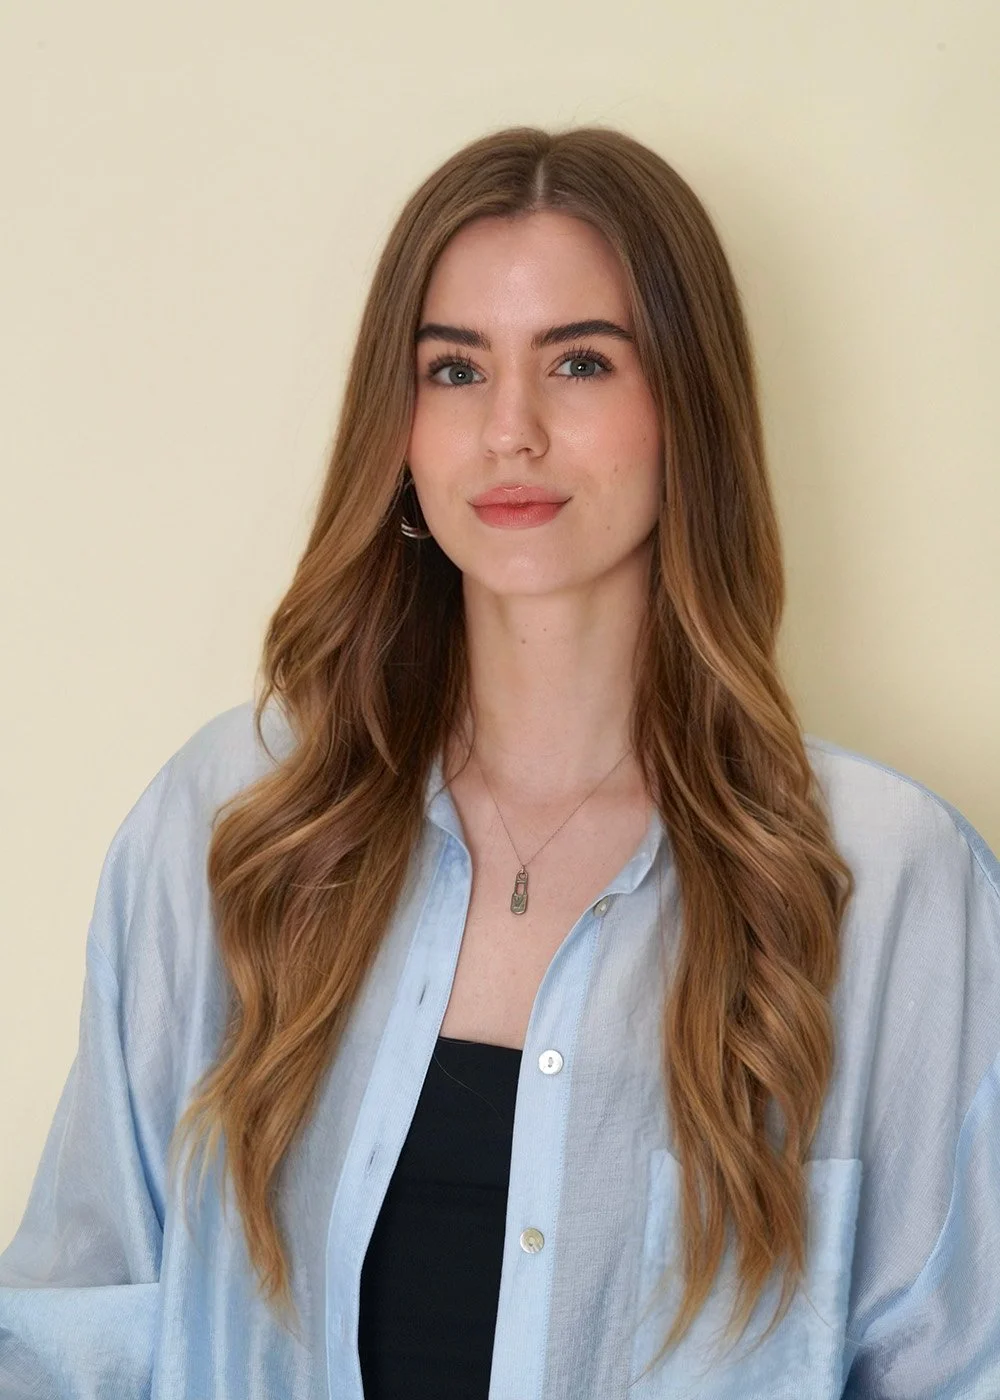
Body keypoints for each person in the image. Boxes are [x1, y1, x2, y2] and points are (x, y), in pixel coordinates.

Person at [1, 124, 997, 1400]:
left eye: (580, 361)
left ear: (683, 405)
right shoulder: (236, 827)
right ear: (399, 428)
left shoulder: (888, 883)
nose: (511, 430)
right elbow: (78, 1330)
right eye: (455, 369)